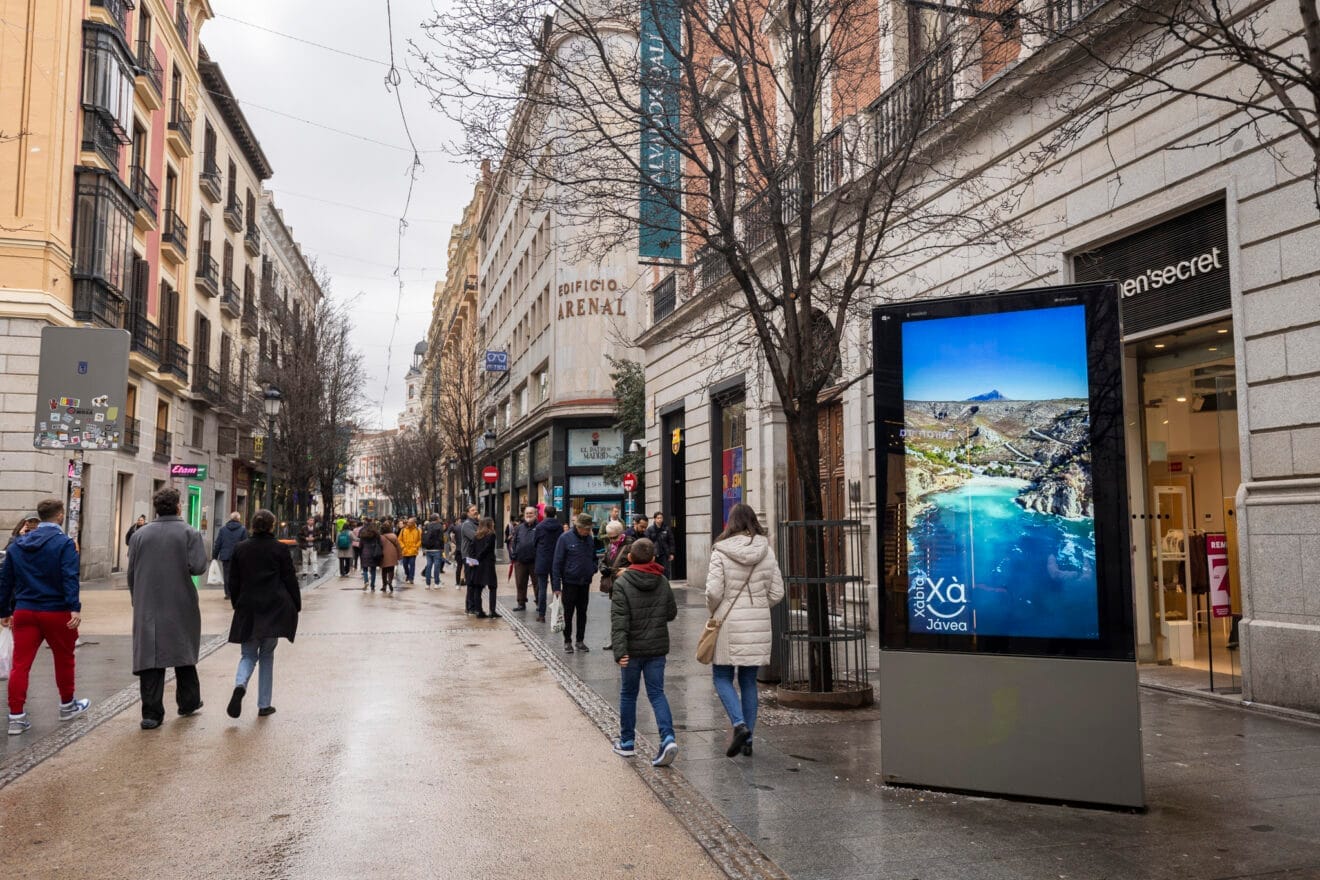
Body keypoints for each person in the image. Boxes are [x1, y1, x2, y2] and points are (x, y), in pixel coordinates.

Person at [1, 498, 90, 736]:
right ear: (60, 515)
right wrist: (74, 607)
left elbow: (6, 580)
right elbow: (69, 576)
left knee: (20, 664)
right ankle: (67, 705)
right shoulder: (64, 544)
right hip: (56, 610)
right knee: (64, 658)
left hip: (25, 610)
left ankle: (16, 717)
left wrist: (4, 611)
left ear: (39, 517)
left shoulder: (17, 545)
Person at [704, 503, 784, 758]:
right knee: (749, 681)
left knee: (721, 676)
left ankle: (739, 725)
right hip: (758, 623)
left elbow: (714, 592)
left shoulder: (721, 551)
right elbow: (777, 592)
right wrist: (758, 605)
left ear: (731, 522)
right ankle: (748, 739)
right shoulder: (767, 551)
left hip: (728, 623)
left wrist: (716, 610)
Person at [127, 488, 209, 730]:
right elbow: (198, 567)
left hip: (147, 603)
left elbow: (131, 572)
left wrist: (137, 598)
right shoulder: (188, 533)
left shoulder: (140, 535)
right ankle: (188, 701)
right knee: (183, 652)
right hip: (180, 600)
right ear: (178, 507)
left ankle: (151, 713)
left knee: (150, 656)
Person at [225, 509, 301, 719]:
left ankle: (240, 684)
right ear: (271, 526)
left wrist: (237, 603)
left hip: (248, 608)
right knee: (267, 655)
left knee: (248, 655)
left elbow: (233, 580)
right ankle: (264, 704)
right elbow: (289, 578)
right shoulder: (279, 549)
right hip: (273, 608)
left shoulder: (240, 548)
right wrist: (296, 603)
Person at [610, 537, 678, 766]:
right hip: (656, 649)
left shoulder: (622, 583)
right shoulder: (662, 580)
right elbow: (671, 613)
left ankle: (627, 742)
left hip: (631, 650)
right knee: (657, 693)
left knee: (629, 694)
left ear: (629, 558)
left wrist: (619, 651)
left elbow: (619, 621)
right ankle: (667, 737)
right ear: (652, 557)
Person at [552, 513, 598, 653]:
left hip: (585, 581)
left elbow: (594, 557)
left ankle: (580, 640)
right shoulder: (565, 538)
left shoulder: (589, 539)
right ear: (578, 527)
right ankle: (567, 641)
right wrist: (556, 586)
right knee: (568, 612)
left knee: (582, 612)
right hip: (570, 582)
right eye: (585, 529)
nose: (587, 531)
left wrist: (593, 568)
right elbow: (557, 563)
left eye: (589, 529)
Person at [598, 520, 633, 651]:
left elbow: (637, 565)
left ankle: (628, 641)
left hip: (626, 585)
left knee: (627, 614)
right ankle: (616, 640)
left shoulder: (631, 545)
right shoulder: (610, 546)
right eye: (609, 537)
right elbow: (604, 560)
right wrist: (602, 567)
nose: (611, 540)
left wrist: (626, 570)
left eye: (614, 537)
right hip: (614, 585)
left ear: (621, 534)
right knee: (615, 614)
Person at [532, 507, 561, 622]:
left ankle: (542, 615)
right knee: (556, 588)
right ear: (554, 514)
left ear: (545, 514)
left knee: (542, 589)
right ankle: (557, 613)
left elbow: (534, 542)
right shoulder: (559, 527)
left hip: (542, 560)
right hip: (555, 560)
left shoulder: (539, 527)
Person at [211, 512, 248, 600]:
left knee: (227, 574)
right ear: (239, 519)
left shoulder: (223, 529)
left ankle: (228, 593)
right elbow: (245, 544)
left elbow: (218, 543)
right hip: (238, 556)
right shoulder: (243, 529)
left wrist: (214, 556)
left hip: (226, 556)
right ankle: (236, 592)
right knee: (238, 574)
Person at [468, 516, 499, 619]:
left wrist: (473, 560)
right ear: (490, 524)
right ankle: (492, 611)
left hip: (477, 565)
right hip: (487, 564)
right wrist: (477, 559)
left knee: (478, 588)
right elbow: (487, 549)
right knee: (493, 587)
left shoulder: (476, 535)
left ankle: (479, 611)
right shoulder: (491, 535)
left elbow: (471, 549)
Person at [510, 506, 538, 611]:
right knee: (520, 582)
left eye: (531, 513)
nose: (529, 515)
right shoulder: (519, 528)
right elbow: (514, 542)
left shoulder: (539, 527)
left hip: (535, 561)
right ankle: (521, 603)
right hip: (520, 561)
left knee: (537, 583)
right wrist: (514, 556)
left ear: (535, 514)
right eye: (527, 513)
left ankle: (539, 603)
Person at [460, 505, 480, 608]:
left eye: (476, 510)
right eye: (472, 510)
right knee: (471, 582)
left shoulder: (476, 523)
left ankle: (474, 605)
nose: (475, 512)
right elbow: (475, 537)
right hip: (469, 557)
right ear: (468, 513)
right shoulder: (467, 524)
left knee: (475, 581)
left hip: (475, 556)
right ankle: (470, 607)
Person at [646, 512, 676, 578]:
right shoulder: (650, 529)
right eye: (658, 518)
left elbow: (671, 541)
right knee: (655, 571)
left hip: (664, 553)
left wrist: (672, 553)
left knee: (665, 571)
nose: (660, 519)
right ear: (655, 519)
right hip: (654, 554)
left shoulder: (666, 529)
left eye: (661, 518)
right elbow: (647, 542)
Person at [421, 513, 446, 588]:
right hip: (437, 549)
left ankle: (427, 584)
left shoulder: (426, 526)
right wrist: (442, 549)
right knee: (436, 566)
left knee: (429, 566)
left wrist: (424, 547)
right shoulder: (439, 526)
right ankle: (436, 583)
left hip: (428, 549)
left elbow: (422, 537)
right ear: (437, 518)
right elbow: (441, 539)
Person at [359, 520, 383, 592]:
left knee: (365, 569)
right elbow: (380, 544)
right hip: (374, 553)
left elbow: (360, 545)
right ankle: (372, 586)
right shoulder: (376, 534)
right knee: (373, 570)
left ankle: (366, 581)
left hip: (365, 553)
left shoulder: (363, 534)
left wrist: (361, 552)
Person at [398, 517, 422, 585]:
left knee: (412, 565)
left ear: (414, 523)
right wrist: (403, 547)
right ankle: (408, 575)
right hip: (405, 551)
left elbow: (420, 540)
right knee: (405, 564)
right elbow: (399, 539)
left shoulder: (418, 530)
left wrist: (416, 547)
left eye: (410, 522)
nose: (408, 523)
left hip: (413, 551)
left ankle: (411, 578)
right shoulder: (403, 530)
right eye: (408, 522)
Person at [379, 522, 402, 593]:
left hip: (383, 555)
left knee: (384, 571)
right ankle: (390, 582)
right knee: (391, 569)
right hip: (393, 554)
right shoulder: (394, 536)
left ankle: (384, 585)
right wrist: (399, 556)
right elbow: (398, 547)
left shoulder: (380, 537)